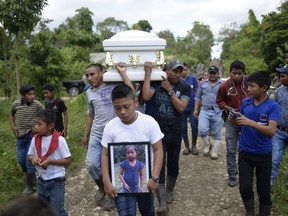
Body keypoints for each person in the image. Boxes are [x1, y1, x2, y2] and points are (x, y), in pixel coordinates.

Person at [101, 84, 164, 216]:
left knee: (147, 212)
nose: (122, 112)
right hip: (122, 189)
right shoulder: (110, 127)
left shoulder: (149, 122)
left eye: (126, 107)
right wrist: (107, 181)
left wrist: (155, 177)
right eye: (117, 108)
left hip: (146, 183)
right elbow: (105, 155)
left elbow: (158, 150)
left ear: (135, 102)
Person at [82, 62, 134, 211]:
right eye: (87, 75)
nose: (89, 78)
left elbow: (130, 91)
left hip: (114, 133)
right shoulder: (89, 92)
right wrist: (86, 134)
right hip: (97, 133)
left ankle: (112, 196)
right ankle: (102, 186)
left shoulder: (113, 86)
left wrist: (122, 72)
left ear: (102, 73)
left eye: (92, 74)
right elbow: (90, 114)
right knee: (91, 164)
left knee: (113, 166)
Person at [142, 60, 191, 213]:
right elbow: (145, 96)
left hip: (175, 131)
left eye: (179, 71)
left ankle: (170, 190)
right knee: (159, 165)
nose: (177, 74)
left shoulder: (185, 87)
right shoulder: (158, 83)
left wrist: (170, 90)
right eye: (174, 71)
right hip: (158, 133)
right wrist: (148, 73)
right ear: (166, 70)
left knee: (173, 164)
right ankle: (162, 203)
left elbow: (181, 108)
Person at [229, 71, 280, 216]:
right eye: (248, 86)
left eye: (252, 86)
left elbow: (271, 131)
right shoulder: (246, 102)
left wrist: (250, 122)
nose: (248, 89)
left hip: (264, 154)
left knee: (263, 190)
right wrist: (234, 119)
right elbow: (241, 124)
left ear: (264, 88)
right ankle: (249, 212)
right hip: (245, 152)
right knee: (244, 187)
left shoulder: (272, 106)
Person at [27, 109, 71, 216]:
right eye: (35, 123)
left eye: (39, 124)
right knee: (44, 210)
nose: (36, 127)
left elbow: (68, 160)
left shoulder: (60, 140)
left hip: (56, 181)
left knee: (55, 211)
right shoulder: (35, 139)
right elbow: (30, 155)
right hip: (41, 181)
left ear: (50, 126)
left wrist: (50, 161)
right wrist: (33, 159)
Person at [216, 60, 248, 187]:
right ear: (230, 73)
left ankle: (244, 173)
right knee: (230, 149)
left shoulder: (249, 84)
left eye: (239, 73)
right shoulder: (224, 86)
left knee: (244, 149)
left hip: (247, 120)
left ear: (244, 73)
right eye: (234, 73)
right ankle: (232, 175)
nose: (236, 76)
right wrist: (228, 108)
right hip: (231, 120)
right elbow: (219, 101)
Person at [9, 83, 44, 194]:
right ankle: (33, 175)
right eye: (29, 94)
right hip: (20, 137)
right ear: (23, 95)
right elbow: (12, 113)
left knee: (29, 161)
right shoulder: (16, 104)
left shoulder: (37, 104)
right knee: (20, 160)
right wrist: (13, 126)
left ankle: (29, 186)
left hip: (31, 136)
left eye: (33, 94)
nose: (32, 96)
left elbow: (44, 114)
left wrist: (37, 127)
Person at [194, 66, 223, 159]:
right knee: (202, 130)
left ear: (218, 74)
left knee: (217, 133)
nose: (213, 75)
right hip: (205, 110)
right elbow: (198, 97)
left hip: (217, 111)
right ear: (208, 74)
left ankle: (214, 151)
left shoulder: (222, 84)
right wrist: (195, 109)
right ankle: (208, 144)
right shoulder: (203, 83)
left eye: (214, 73)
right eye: (211, 73)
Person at [270, 65, 288, 187]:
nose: (280, 78)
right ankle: (268, 186)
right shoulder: (279, 91)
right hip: (279, 132)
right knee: (274, 160)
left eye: (283, 76)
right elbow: (274, 108)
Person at [180, 63, 199, 155]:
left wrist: (197, 107)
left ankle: (194, 146)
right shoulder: (178, 80)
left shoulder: (192, 79)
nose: (183, 72)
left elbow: (197, 92)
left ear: (188, 70)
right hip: (181, 108)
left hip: (192, 107)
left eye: (185, 70)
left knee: (194, 127)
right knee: (183, 128)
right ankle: (187, 147)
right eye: (182, 70)